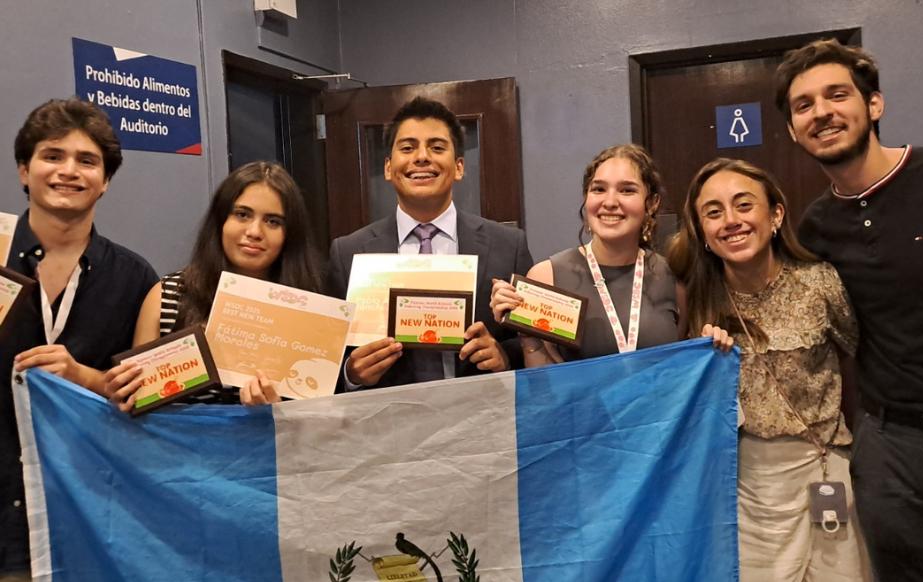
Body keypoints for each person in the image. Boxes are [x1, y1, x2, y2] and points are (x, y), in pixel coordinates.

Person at [668, 158, 875, 582]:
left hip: (823, 472)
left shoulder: (819, 282)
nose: (732, 221)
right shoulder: (693, 296)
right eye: (714, 212)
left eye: (745, 205)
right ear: (701, 230)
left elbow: (862, 354)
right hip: (744, 487)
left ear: (776, 215)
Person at [775, 38, 923, 582]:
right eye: (803, 105)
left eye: (836, 94)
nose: (821, 111)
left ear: (875, 105)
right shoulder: (814, 228)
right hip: (890, 450)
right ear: (794, 131)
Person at [1, 98, 158, 582]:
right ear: (25, 170)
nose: (69, 171)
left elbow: (143, 401)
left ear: (105, 180)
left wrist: (79, 376)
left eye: (87, 160)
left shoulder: (136, 280)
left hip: (91, 524)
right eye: (52, 156)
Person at [327, 97, 533, 388]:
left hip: (481, 421)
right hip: (387, 424)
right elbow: (325, 359)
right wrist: (351, 374)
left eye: (437, 147)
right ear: (388, 168)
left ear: (459, 167)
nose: (422, 157)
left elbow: (532, 343)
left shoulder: (509, 246)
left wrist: (503, 356)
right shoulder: (348, 253)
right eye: (408, 148)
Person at [104, 161, 321, 409]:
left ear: (289, 234)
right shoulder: (168, 296)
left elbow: (318, 420)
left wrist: (278, 409)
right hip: (179, 447)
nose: (254, 231)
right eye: (242, 214)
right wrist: (126, 393)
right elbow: (139, 402)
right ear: (220, 221)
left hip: (275, 446)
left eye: (273, 221)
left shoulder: (309, 311)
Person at [490, 144, 700, 366]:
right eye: (599, 189)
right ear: (586, 198)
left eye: (627, 190)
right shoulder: (546, 277)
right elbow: (543, 385)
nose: (609, 202)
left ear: (652, 203)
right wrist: (523, 327)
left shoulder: (672, 278)